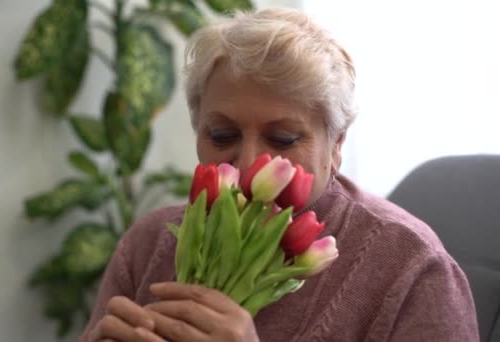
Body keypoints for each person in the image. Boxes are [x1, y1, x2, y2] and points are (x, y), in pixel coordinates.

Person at [80, 8, 479, 341]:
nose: (251, 163)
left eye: (284, 140)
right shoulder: (148, 245)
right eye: (222, 135)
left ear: (337, 145)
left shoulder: (412, 269)